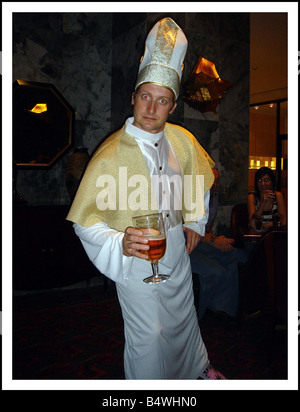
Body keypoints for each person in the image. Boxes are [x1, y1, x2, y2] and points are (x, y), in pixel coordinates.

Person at [67, 17, 226, 380]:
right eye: (145, 97)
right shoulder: (109, 155)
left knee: (183, 319)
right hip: (137, 257)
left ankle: (195, 372)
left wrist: (194, 221)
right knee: (149, 336)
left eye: (162, 101)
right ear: (134, 98)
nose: (151, 109)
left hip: (175, 250)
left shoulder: (182, 140)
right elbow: (85, 222)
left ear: (172, 107)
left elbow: (201, 177)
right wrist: (120, 242)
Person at [189, 168, 248, 320]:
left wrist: (216, 239)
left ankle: (223, 308)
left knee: (238, 256)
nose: (214, 184)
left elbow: (204, 231)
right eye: (211, 179)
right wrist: (214, 242)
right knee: (216, 272)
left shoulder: (213, 202)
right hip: (186, 247)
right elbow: (188, 228)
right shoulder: (192, 199)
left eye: (216, 181)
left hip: (201, 244)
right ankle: (198, 318)